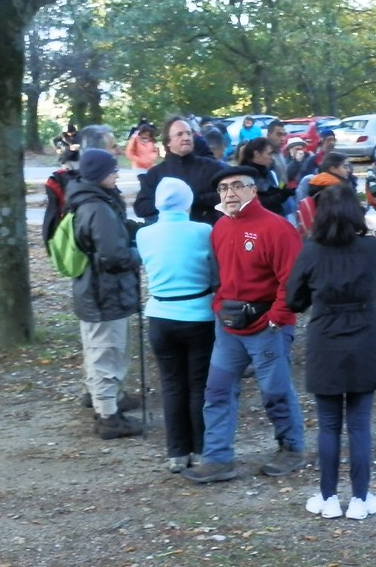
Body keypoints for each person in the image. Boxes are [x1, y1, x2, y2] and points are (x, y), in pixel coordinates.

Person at [183, 165, 306, 484]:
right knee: (217, 390)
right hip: (229, 326)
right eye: (224, 189)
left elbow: (293, 281)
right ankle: (217, 458)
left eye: (237, 186)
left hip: (268, 326)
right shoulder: (221, 227)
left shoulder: (277, 229)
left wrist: (277, 318)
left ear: (254, 190)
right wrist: (219, 306)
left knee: (275, 391)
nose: (230, 193)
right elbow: (220, 275)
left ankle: (292, 448)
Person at [287, 184, 376, 520]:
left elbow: (293, 299)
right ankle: (360, 498)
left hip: (326, 340)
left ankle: (328, 496)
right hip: (365, 339)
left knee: (328, 425)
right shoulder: (371, 249)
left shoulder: (311, 251)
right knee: (359, 425)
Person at [135, 178, 217, 472]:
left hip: (160, 315)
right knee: (198, 384)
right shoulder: (204, 231)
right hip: (199, 315)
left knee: (171, 384)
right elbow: (214, 272)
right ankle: (201, 449)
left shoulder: (144, 234)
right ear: (188, 201)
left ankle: (176, 452)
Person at [66, 148, 143, 440]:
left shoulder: (94, 200)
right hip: (104, 291)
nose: (117, 174)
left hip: (96, 288)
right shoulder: (96, 207)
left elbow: (113, 235)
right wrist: (139, 254)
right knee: (106, 350)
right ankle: (108, 415)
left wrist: (135, 230)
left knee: (101, 347)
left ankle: (106, 396)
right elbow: (113, 255)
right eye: (113, 170)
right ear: (99, 174)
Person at [133, 116, 228, 225]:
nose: (186, 137)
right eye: (179, 134)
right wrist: (170, 202)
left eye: (189, 133)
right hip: (171, 232)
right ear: (168, 142)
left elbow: (230, 194)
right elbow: (141, 208)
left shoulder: (212, 167)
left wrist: (195, 199)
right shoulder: (156, 174)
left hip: (208, 231)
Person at [239, 137, 293, 216]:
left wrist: (283, 188)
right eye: (269, 154)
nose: (272, 157)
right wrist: (282, 195)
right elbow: (261, 203)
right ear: (256, 154)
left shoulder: (267, 171)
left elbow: (278, 185)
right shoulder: (246, 176)